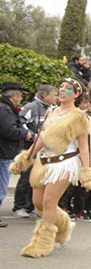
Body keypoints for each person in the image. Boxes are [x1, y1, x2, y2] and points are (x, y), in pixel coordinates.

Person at [9, 78, 91, 256]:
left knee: (49, 202)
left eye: (68, 88)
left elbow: (84, 147)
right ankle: (65, 225)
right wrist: (27, 158)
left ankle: (42, 244)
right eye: (61, 87)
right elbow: (41, 138)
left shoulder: (79, 117)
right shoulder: (51, 112)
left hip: (64, 163)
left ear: (76, 94)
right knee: (38, 203)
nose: (62, 90)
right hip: (44, 161)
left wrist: (87, 172)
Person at [13, 84, 58, 218]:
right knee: (26, 178)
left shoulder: (52, 109)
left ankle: (31, 206)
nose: (56, 97)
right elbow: (20, 122)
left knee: (37, 179)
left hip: (44, 150)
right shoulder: (31, 107)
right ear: (45, 96)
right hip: (30, 148)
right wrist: (32, 136)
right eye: (54, 95)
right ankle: (19, 206)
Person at [0, 82, 36, 227]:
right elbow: (9, 131)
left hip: (4, 151)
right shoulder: (5, 110)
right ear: (14, 95)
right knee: (1, 187)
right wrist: (25, 134)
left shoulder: (6, 108)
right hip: (4, 153)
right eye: (21, 95)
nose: (21, 98)